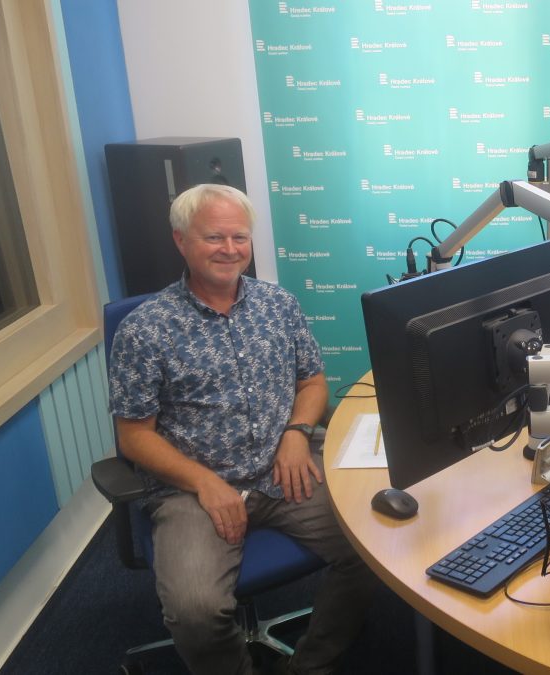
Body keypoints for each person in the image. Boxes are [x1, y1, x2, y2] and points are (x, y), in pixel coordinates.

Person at [108, 183, 376, 674]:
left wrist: (296, 433)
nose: (230, 249)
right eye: (214, 237)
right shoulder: (144, 330)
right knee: (195, 613)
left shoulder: (279, 305)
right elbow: (134, 435)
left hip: (285, 469)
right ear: (181, 241)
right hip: (192, 490)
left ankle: (311, 665)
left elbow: (312, 381)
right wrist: (204, 481)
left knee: (376, 549)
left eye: (240, 237)